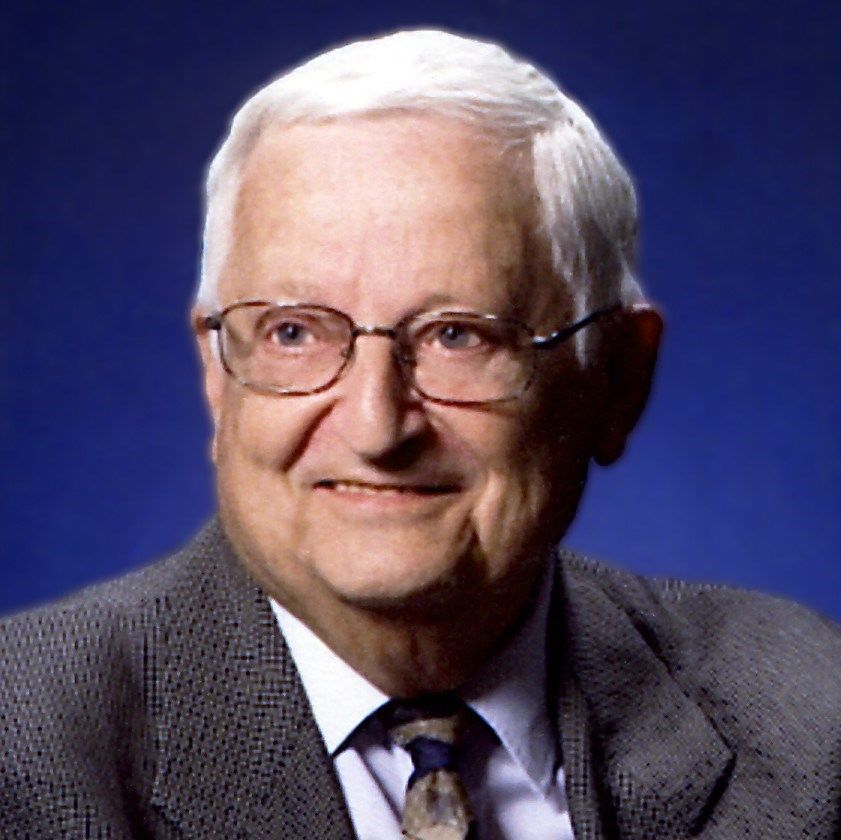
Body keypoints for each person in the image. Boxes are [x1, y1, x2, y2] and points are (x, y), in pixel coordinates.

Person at [1, 29, 838, 840]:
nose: (376, 427)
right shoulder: (24, 750)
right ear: (219, 375)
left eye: (458, 336)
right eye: (294, 332)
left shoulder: (808, 721)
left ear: (616, 380)